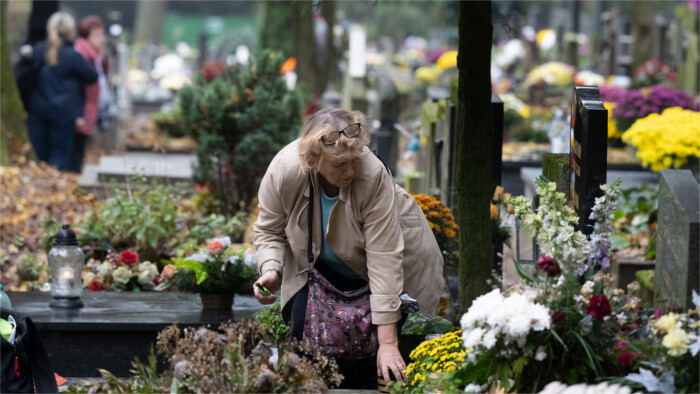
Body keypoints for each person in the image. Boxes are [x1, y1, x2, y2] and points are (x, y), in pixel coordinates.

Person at [253, 107, 443, 389]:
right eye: (340, 165)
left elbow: (384, 259)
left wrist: (388, 344)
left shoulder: (371, 175)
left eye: (354, 160)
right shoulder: (284, 171)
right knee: (301, 359)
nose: (351, 170)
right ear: (314, 160)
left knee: (377, 368)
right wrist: (271, 270)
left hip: (380, 270)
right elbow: (269, 230)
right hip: (319, 270)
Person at [26, 12, 97, 172]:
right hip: (64, 113)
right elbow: (92, 76)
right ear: (70, 32)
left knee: (39, 156)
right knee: (60, 157)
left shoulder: (38, 50)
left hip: (38, 110)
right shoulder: (73, 55)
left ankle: (39, 190)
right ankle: (56, 191)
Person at [72, 15, 110, 173]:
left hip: (89, 112)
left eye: (102, 34)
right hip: (79, 114)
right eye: (97, 35)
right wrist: (77, 115)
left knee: (80, 151)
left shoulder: (97, 58)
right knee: (75, 152)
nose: (102, 39)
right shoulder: (81, 56)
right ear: (86, 36)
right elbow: (75, 90)